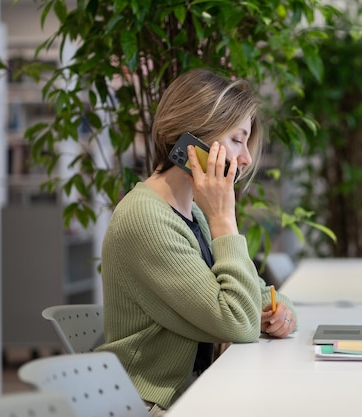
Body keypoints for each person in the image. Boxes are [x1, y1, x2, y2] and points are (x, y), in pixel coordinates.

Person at [96, 68, 297, 416]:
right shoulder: (146, 219)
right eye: (237, 140)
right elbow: (238, 321)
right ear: (194, 140)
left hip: (198, 391)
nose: (247, 158)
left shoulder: (193, 214)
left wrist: (281, 312)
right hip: (154, 405)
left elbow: (257, 296)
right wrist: (224, 219)